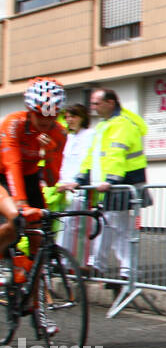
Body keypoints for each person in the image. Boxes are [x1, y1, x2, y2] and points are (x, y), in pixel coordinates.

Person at [0, 78, 68, 334]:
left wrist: (50, 153)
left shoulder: (58, 133)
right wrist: (21, 205)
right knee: (16, 218)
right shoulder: (13, 124)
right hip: (4, 175)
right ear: (30, 111)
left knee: (40, 244)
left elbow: (51, 179)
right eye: (41, 117)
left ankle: (39, 311)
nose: (47, 123)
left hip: (29, 180)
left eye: (53, 117)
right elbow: (12, 165)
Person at [77, 88, 149, 291]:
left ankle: (126, 270)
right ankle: (102, 266)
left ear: (110, 103)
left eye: (96, 103)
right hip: (111, 185)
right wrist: (82, 176)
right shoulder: (104, 125)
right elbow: (93, 155)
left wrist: (112, 180)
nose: (93, 107)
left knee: (120, 229)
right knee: (109, 226)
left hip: (122, 184)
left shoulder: (122, 124)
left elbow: (117, 154)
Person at [52, 103, 96, 264]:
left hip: (79, 187)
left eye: (73, 116)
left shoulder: (90, 134)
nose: (69, 120)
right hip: (64, 186)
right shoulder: (68, 137)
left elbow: (87, 161)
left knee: (80, 226)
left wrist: (77, 181)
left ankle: (81, 262)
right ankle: (62, 261)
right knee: (64, 225)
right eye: (67, 117)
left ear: (82, 117)